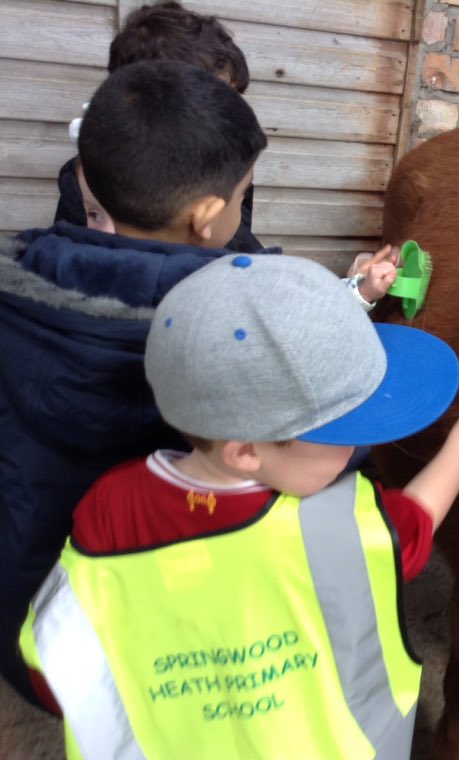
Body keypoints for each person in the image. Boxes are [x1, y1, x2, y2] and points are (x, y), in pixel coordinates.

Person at [20, 253, 459, 760]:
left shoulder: (108, 507)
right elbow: (416, 521)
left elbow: (54, 678)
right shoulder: (341, 526)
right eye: (344, 434)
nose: (357, 450)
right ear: (244, 451)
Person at [0, 59, 278, 708]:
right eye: (243, 195)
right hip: (174, 663)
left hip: (38, 637)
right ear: (208, 216)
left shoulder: (19, 291)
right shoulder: (247, 326)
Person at [54, 0, 262, 252]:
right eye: (216, 99)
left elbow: (235, 227)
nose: (231, 117)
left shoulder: (227, 165)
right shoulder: (84, 179)